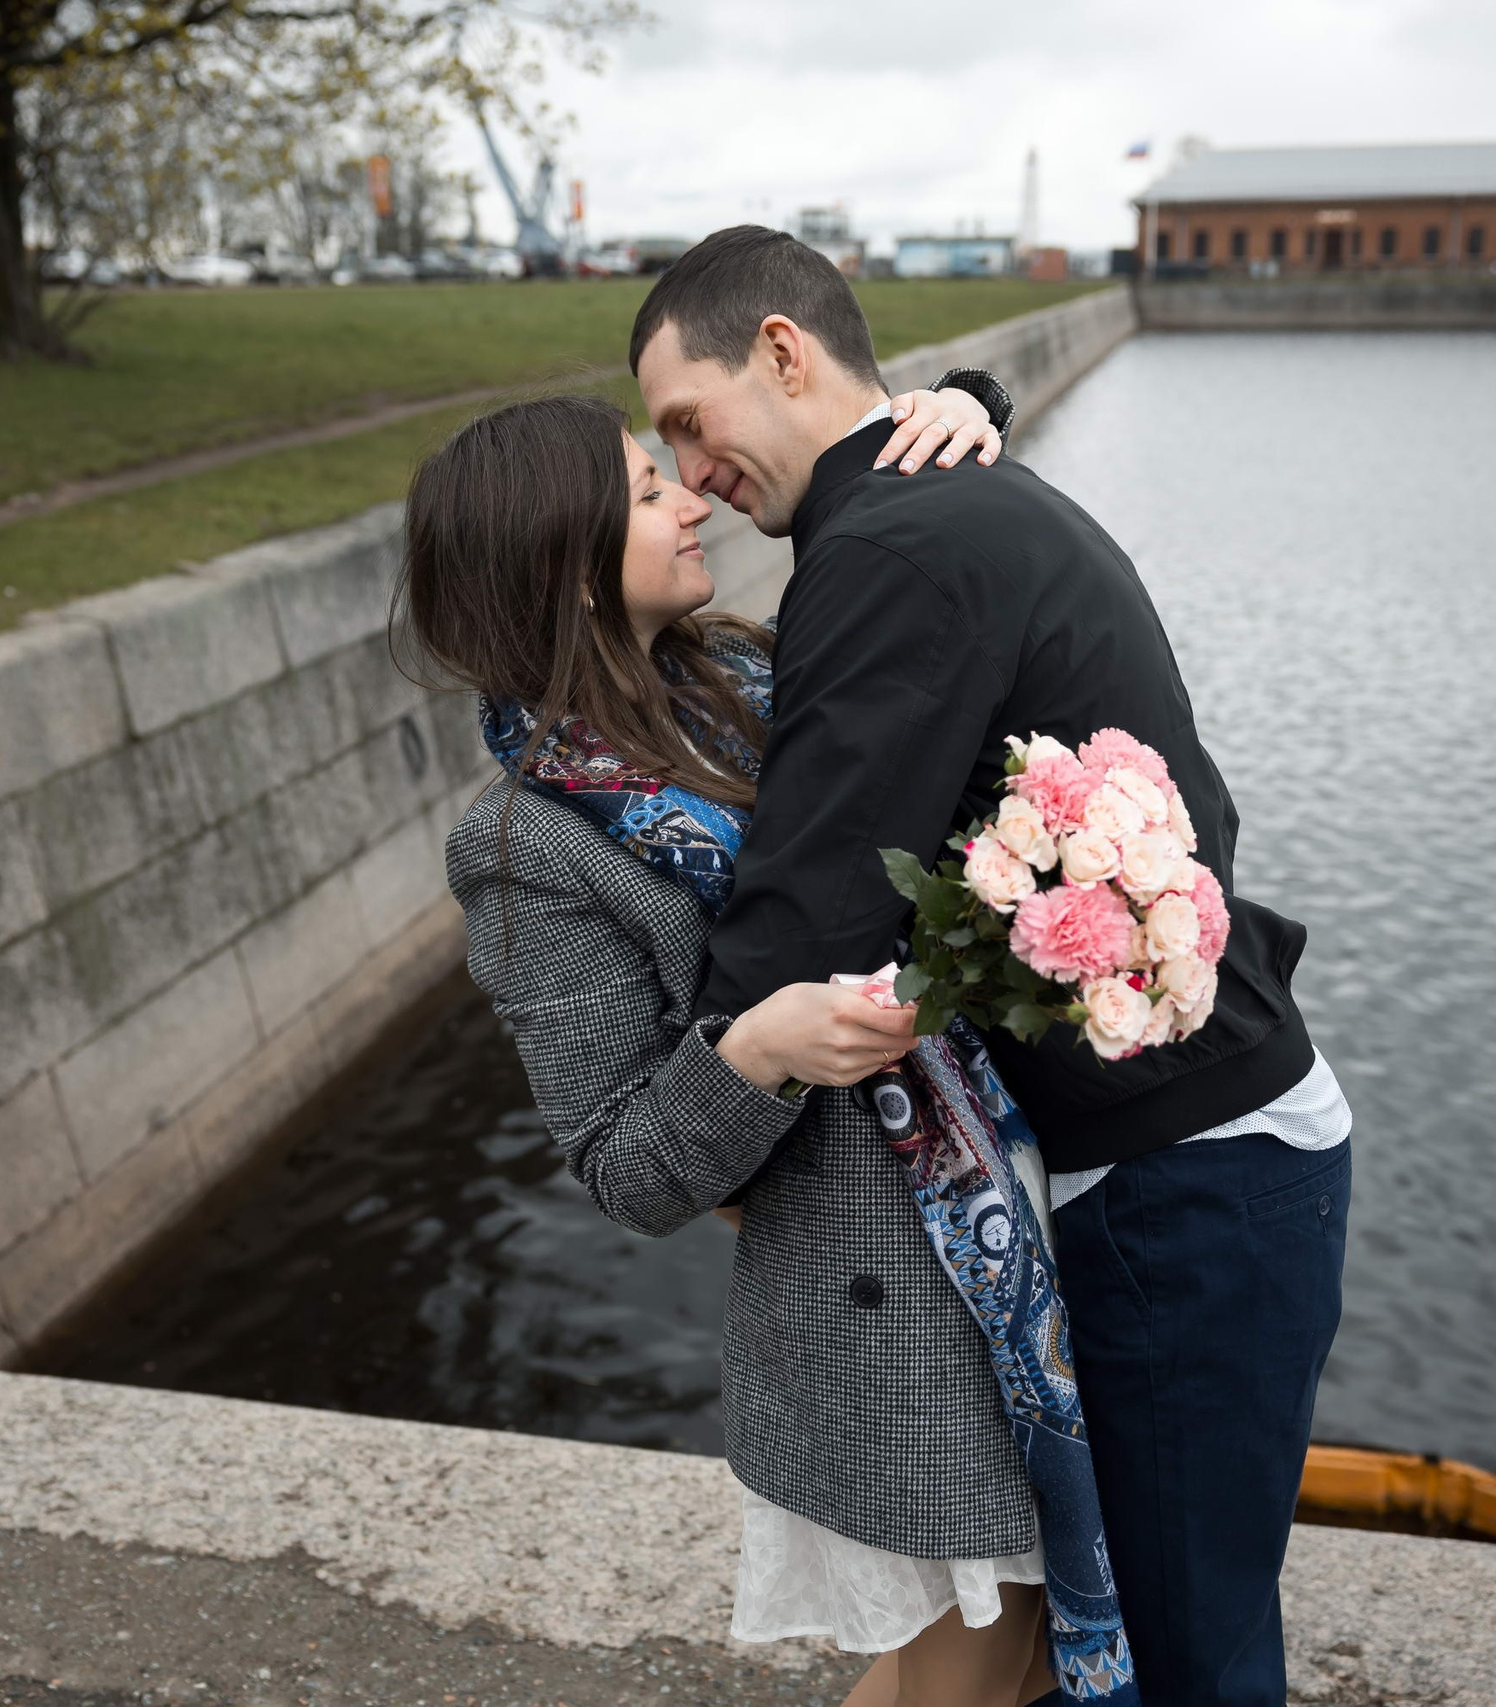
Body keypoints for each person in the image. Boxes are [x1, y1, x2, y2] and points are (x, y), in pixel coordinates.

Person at [630, 227, 1353, 1707]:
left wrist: (702, 1118)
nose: (695, 475)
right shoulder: (950, 494)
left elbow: (810, 909)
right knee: (1147, 1642)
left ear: (781, 351)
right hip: (1221, 1145)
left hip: (1180, 1177)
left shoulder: (889, 548)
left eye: (691, 426)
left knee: (1180, 1663)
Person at [407, 383, 1069, 1706]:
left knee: (1011, 1642)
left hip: (1005, 1202)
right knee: (980, 1655)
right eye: (649, 491)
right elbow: (626, 1167)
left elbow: (928, 665)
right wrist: (754, 1046)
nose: (691, 494)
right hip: (871, 1284)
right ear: (573, 576)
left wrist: (946, 422)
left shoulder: (756, 668)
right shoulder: (525, 848)